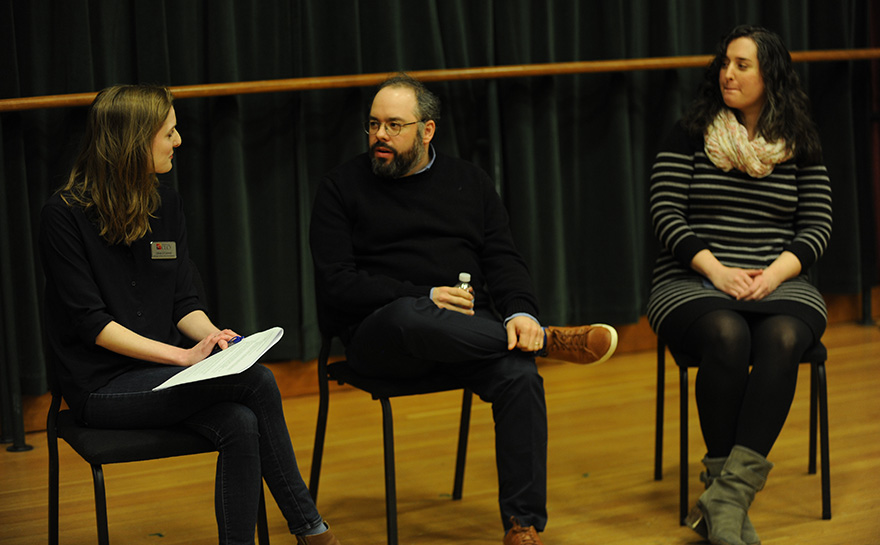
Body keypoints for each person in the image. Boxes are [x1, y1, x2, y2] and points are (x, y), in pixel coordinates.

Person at [309, 73, 618, 545]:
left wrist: (521, 312)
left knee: (519, 376)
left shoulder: (469, 181)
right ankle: (553, 343)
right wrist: (424, 293)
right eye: (373, 126)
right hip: (381, 339)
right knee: (410, 314)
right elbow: (336, 285)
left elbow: (503, 258)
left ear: (427, 130)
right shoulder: (339, 187)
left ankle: (523, 526)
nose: (379, 138)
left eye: (394, 126)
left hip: (463, 335)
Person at [39, 84, 341, 545]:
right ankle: (312, 530)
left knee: (240, 421)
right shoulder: (62, 214)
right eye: (169, 133)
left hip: (162, 377)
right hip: (100, 386)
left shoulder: (166, 204)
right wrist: (181, 358)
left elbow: (184, 301)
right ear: (134, 141)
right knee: (257, 382)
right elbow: (92, 324)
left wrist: (215, 338)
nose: (178, 142)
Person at [646, 25, 832, 545]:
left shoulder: (799, 141)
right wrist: (716, 270)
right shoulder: (690, 132)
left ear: (770, 74)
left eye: (742, 64)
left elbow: (817, 225)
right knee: (728, 334)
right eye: (725, 62)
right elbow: (664, 214)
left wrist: (772, 274)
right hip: (693, 278)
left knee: (783, 337)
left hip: (778, 278)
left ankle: (725, 497)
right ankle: (726, 498)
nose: (728, 72)